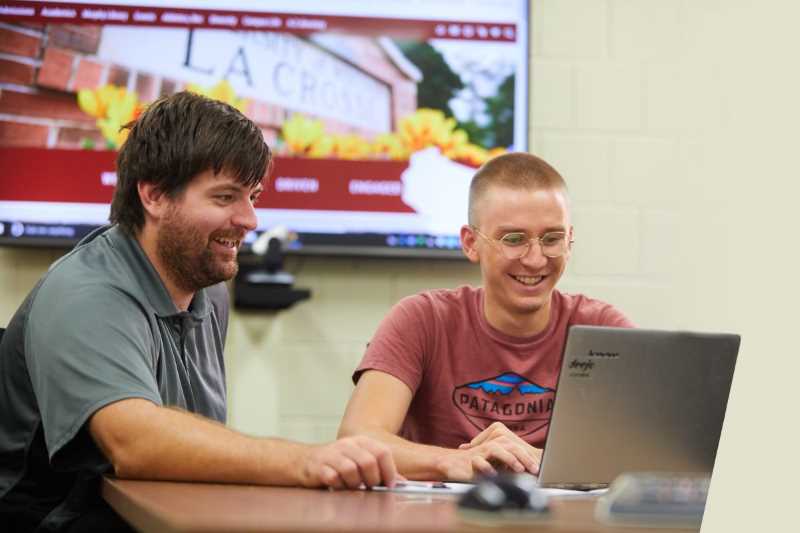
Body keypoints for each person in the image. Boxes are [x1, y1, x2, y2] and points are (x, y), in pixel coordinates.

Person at [0, 92, 397, 533]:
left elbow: (187, 450)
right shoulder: (85, 293)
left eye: (254, 196)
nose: (249, 219)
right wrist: (305, 460)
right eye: (225, 197)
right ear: (153, 195)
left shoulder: (209, 294)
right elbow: (134, 443)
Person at [338, 152, 633, 481]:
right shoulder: (422, 319)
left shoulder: (604, 330)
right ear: (470, 243)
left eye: (552, 239)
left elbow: (656, 455)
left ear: (570, 241)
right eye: (514, 239)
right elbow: (357, 440)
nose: (535, 260)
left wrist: (541, 460)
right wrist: (458, 461)